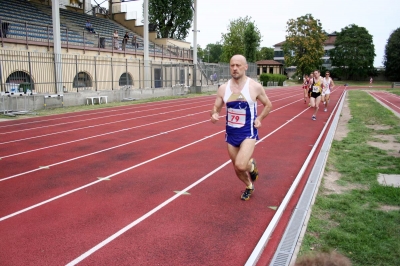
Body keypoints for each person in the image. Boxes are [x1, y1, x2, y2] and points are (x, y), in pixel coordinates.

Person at [210, 55, 272, 201]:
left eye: (238, 65)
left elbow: (268, 105)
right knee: (237, 168)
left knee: (240, 164)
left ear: (245, 67)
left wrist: (260, 118)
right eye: (232, 65)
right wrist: (214, 114)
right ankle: (249, 185)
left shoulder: (254, 87)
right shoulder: (223, 89)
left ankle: (250, 165)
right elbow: (215, 107)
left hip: (248, 133)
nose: (235, 68)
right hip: (231, 134)